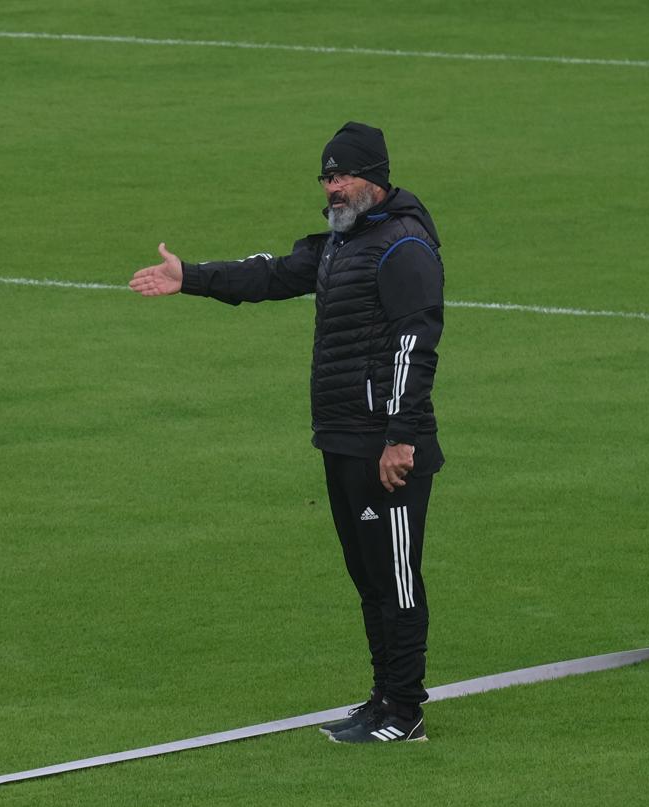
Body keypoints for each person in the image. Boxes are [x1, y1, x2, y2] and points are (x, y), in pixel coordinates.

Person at [129, 121, 445, 744]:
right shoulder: (339, 244)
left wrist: (400, 435)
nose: (332, 187)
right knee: (368, 578)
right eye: (326, 177)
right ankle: (382, 698)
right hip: (342, 437)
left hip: (388, 446)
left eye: (343, 176)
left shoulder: (402, 246)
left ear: (374, 179)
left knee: (397, 578)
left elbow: (417, 341)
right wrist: (189, 276)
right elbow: (270, 275)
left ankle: (405, 712)